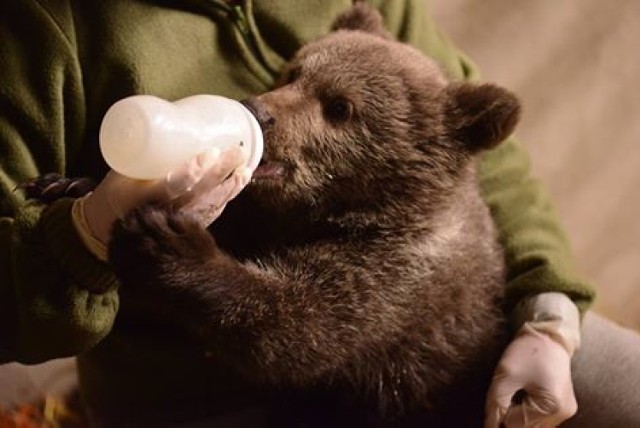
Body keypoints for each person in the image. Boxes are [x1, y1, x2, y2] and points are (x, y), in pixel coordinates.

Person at [0, 0, 638, 426]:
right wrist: (83, 228)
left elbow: (290, 325)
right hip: (203, 397)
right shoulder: (42, 28)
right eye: (294, 77)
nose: (266, 105)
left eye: (337, 112)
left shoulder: (410, 237)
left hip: (446, 375)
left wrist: (550, 320)